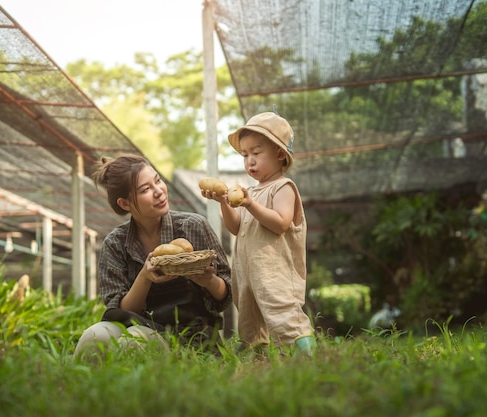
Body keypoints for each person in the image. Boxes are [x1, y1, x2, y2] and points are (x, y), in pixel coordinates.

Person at [73, 154, 232, 360]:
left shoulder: (192, 226)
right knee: (94, 336)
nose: (159, 191)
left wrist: (208, 280)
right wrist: (144, 277)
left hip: (193, 339)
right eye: (145, 189)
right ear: (125, 203)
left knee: (134, 339)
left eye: (157, 180)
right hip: (137, 327)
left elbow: (226, 295)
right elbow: (120, 312)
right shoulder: (115, 244)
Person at [202, 111, 316, 356]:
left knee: (283, 312)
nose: (249, 161)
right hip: (248, 272)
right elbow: (236, 228)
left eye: (256, 153)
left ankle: (304, 352)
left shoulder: (283, 187)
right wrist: (224, 201)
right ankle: (257, 355)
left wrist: (249, 204)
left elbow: (281, 223)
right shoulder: (250, 192)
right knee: (249, 319)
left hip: (276, 271)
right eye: (245, 155)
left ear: (279, 154)